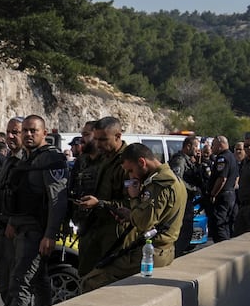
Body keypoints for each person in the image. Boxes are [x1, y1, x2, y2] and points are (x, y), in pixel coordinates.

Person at [80, 143, 182, 291]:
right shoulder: (172, 179)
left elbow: (144, 223)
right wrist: (130, 216)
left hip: (152, 251)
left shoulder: (159, 184)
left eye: (131, 171)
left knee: (91, 281)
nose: (131, 176)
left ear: (142, 162)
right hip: (163, 249)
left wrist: (134, 198)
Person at [0, 115, 68, 306]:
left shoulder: (50, 159)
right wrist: (11, 222)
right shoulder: (28, 158)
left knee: (21, 281)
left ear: (44, 133)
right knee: (38, 280)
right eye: (25, 130)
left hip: (36, 231)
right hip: (21, 227)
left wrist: (50, 235)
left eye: (33, 131)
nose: (28, 134)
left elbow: (58, 199)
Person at [73, 117, 128, 280]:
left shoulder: (127, 161)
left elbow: (132, 204)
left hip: (115, 235)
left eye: (103, 139)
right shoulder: (103, 158)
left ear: (117, 136)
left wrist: (100, 204)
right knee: (87, 277)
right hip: (92, 230)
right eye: (96, 139)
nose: (98, 144)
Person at [0, 117, 24, 306]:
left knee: (13, 276)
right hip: (0, 224)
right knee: (2, 273)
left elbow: (25, 197)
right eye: (8, 132)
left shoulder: (25, 162)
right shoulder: (9, 159)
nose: (10, 136)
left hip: (14, 228)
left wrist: (13, 222)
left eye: (15, 132)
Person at [170, 135, 202, 253]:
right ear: (188, 146)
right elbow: (176, 180)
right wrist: (193, 189)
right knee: (183, 233)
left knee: (187, 233)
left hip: (187, 201)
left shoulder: (189, 161)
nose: (197, 149)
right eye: (195, 146)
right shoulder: (180, 160)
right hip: (181, 202)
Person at [205, 135, 238, 242]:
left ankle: (221, 246)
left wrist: (213, 194)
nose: (211, 148)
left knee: (219, 225)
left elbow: (221, 179)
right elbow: (236, 177)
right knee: (226, 224)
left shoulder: (222, 158)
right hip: (230, 195)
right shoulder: (232, 157)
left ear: (220, 145)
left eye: (213, 145)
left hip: (222, 196)